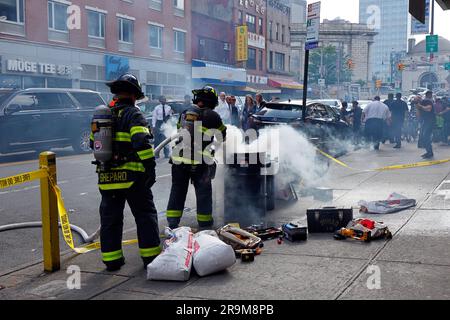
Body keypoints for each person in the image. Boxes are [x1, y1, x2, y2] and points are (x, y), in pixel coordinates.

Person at [91, 74, 160, 271]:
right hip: (132, 178)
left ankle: (112, 261)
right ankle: (151, 257)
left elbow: (92, 143)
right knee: (145, 215)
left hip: (106, 177)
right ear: (133, 95)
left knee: (110, 220)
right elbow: (141, 142)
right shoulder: (133, 114)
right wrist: (150, 168)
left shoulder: (103, 116)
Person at [166, 86, 227, 229]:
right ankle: (205, 223)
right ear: (212, 101)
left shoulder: (185, 113)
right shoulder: (212, 116)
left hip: (179, 160)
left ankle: (173, 222)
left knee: (178, 190)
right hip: (201, 162)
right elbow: (223, 135)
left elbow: (178, 131)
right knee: (203, 193)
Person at [417, 91, 436, 159]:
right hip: (426, 121)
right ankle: (429, 152)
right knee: (424, 136)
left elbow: (428, 109)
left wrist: (420, 106)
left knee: (426, 136)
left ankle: (430, 152)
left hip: (429, 121)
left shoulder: (427, 101)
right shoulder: (422, 102)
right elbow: (418, 114)